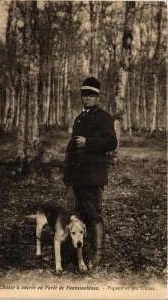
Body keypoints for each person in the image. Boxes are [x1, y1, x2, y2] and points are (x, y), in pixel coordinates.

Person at [63, 77, 117, 268]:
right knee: (79, 214)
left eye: (91, 95)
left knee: (94, 214)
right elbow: (72, 146)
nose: (87, 98)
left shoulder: (104, 118)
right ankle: (81, 252)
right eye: (85, 95)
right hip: (78, 176)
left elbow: (112, 143)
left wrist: (89, 142)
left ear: (98, 97)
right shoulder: (79, 118)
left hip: (93, 175)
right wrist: (68, 173)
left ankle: (99, 254)